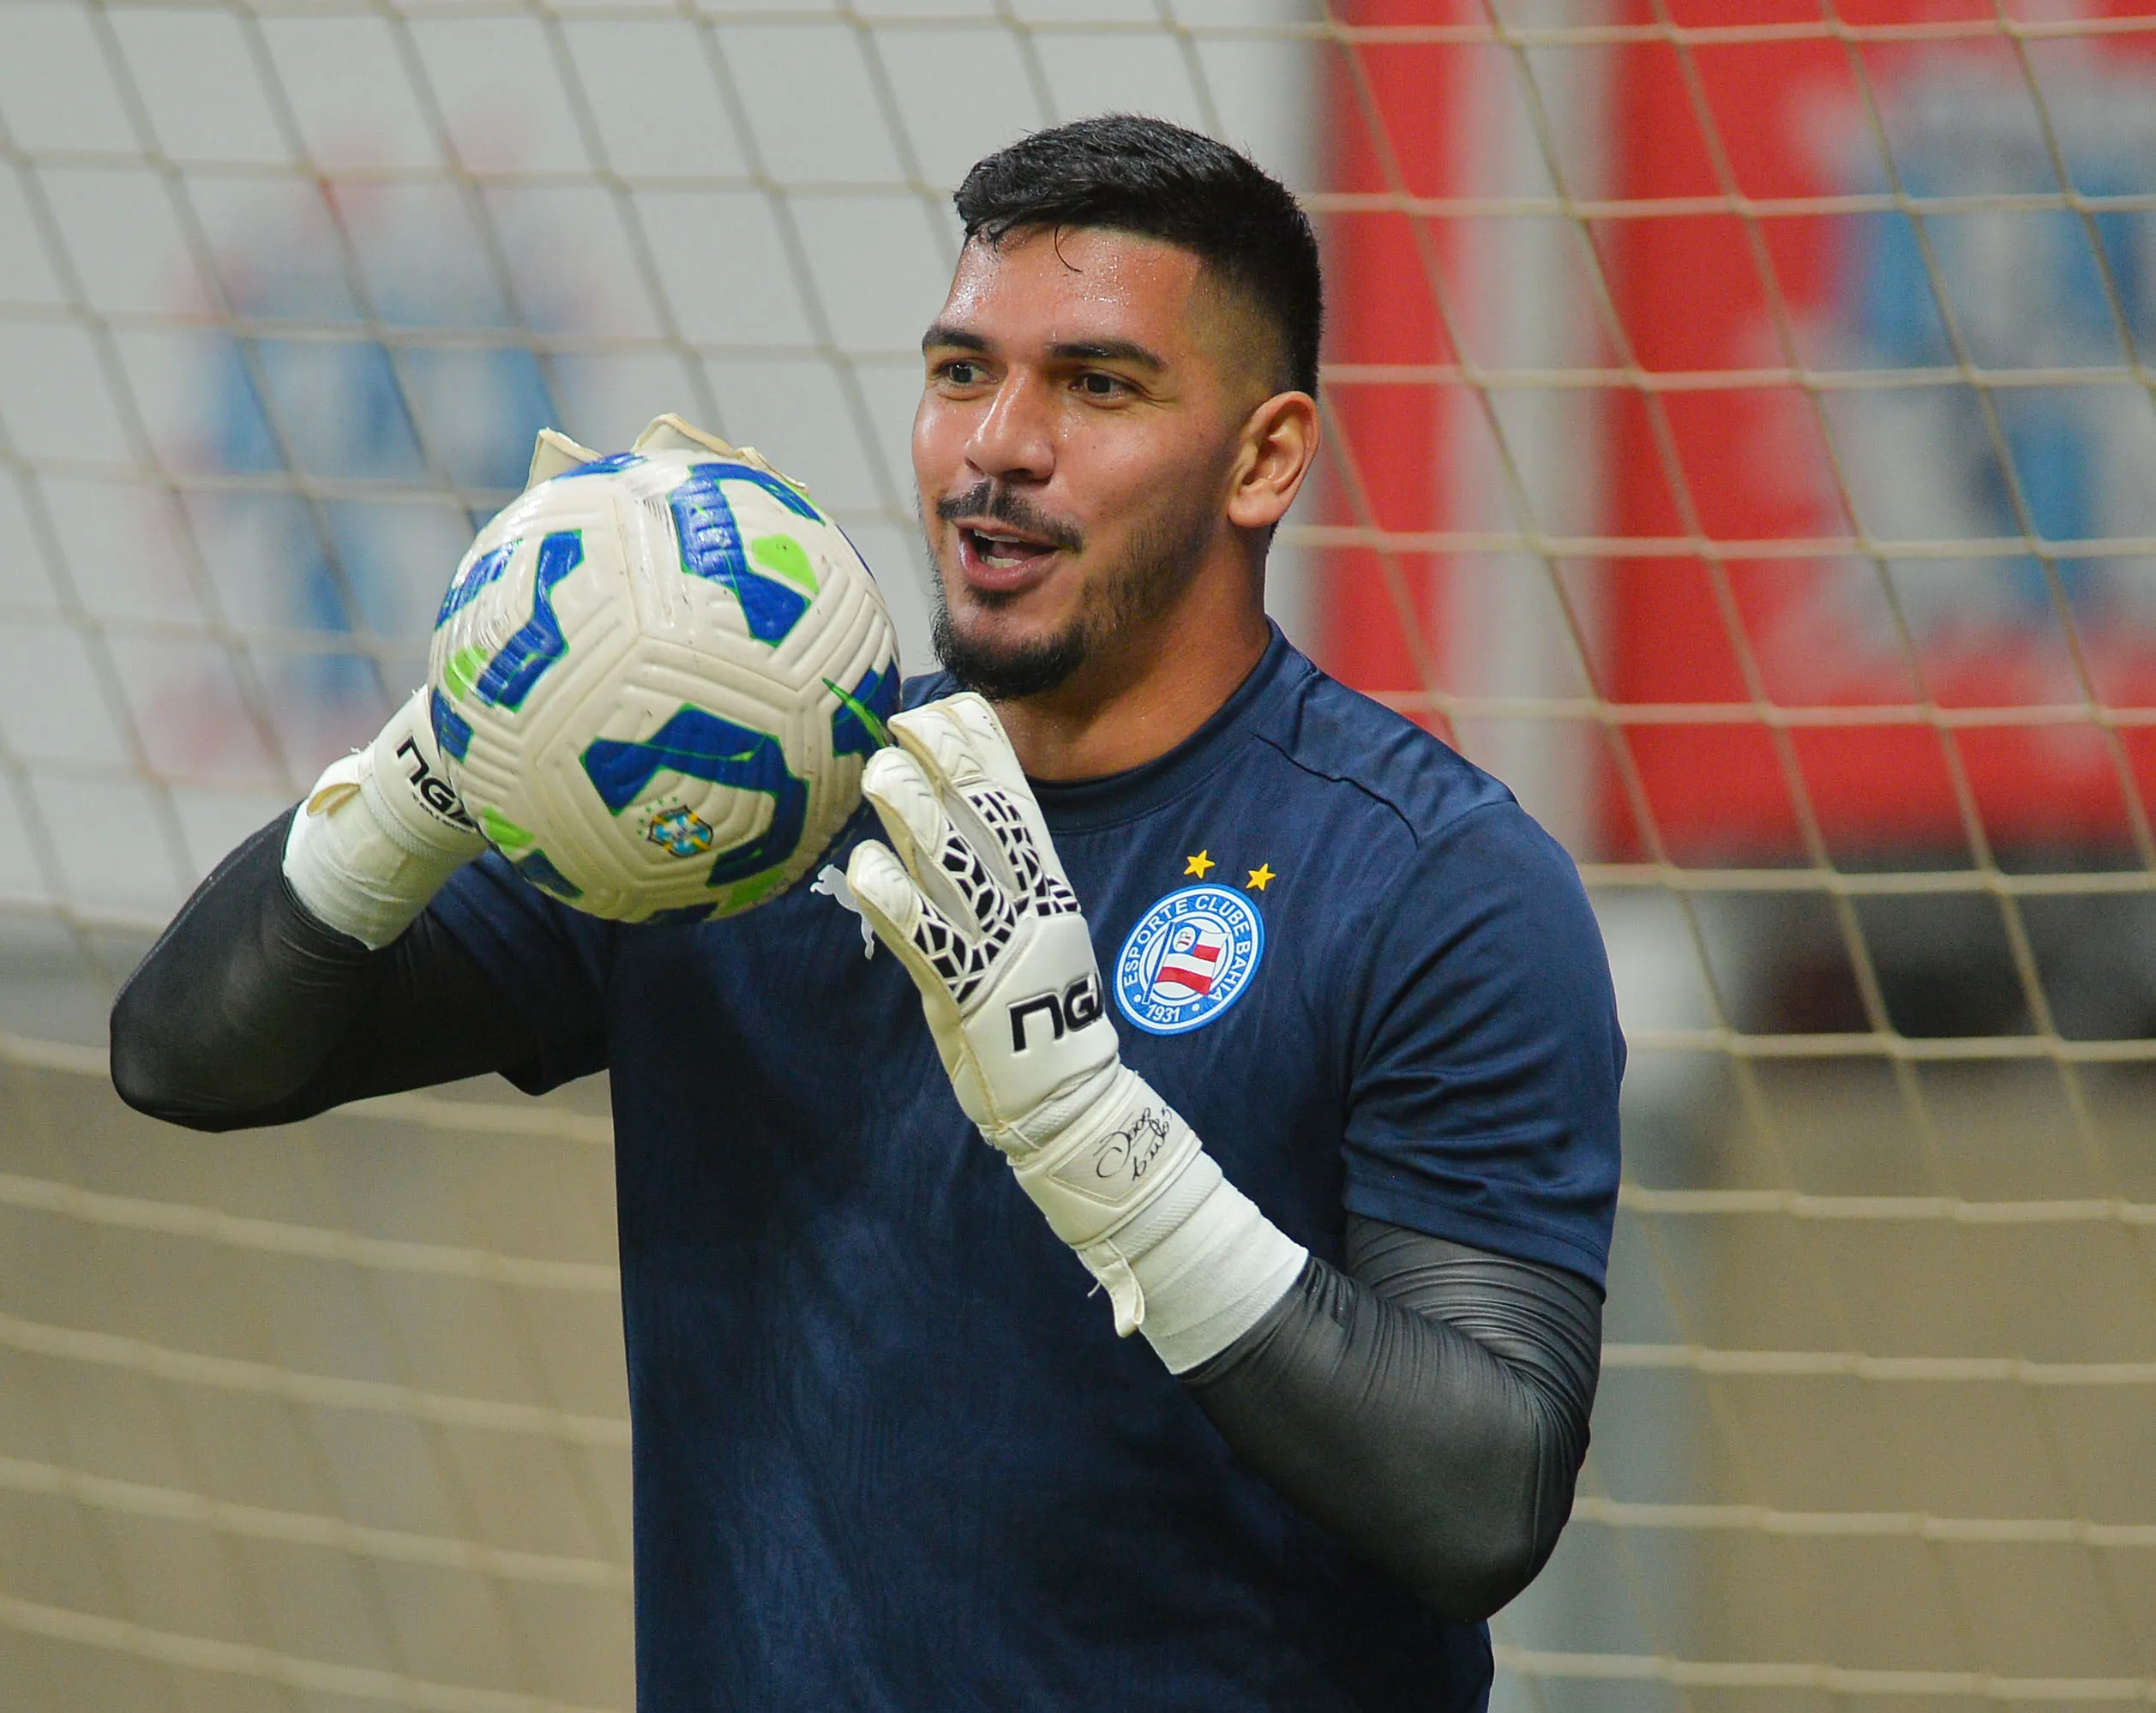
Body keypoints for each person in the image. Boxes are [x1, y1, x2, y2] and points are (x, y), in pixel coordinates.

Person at [113, 114, 1622, 1712]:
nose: (999, 445)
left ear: (1264, 456)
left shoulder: (1430, 883)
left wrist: (1093, 1139)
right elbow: (189, 1054)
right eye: (963, 370)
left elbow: (1482, 1498)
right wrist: (439, 756)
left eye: (1096, 385)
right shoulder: (736, 794)